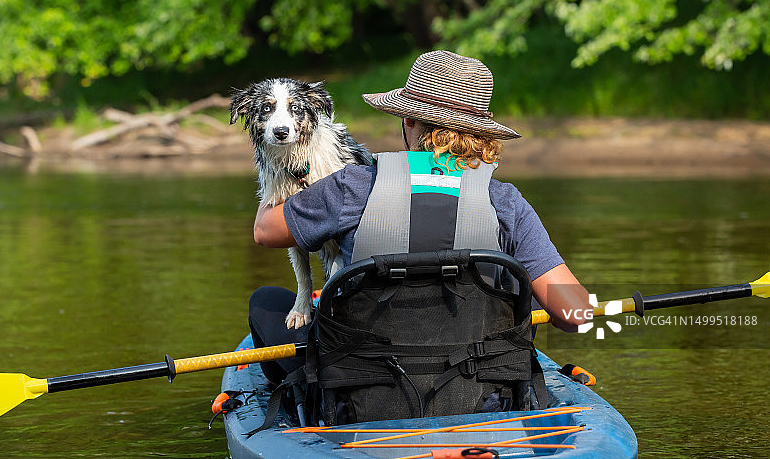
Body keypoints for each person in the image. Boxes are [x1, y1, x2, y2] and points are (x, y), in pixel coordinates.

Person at [249, 50, 590, 390]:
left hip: (365, 390)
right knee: (520, 289)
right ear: (480, 133)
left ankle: (300, 399)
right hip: (478, 390)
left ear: (408, 119)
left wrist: (275, 174)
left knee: (265, 301)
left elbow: (265, 232)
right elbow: (576, 315)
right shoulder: (505, 202)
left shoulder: (351, 186)